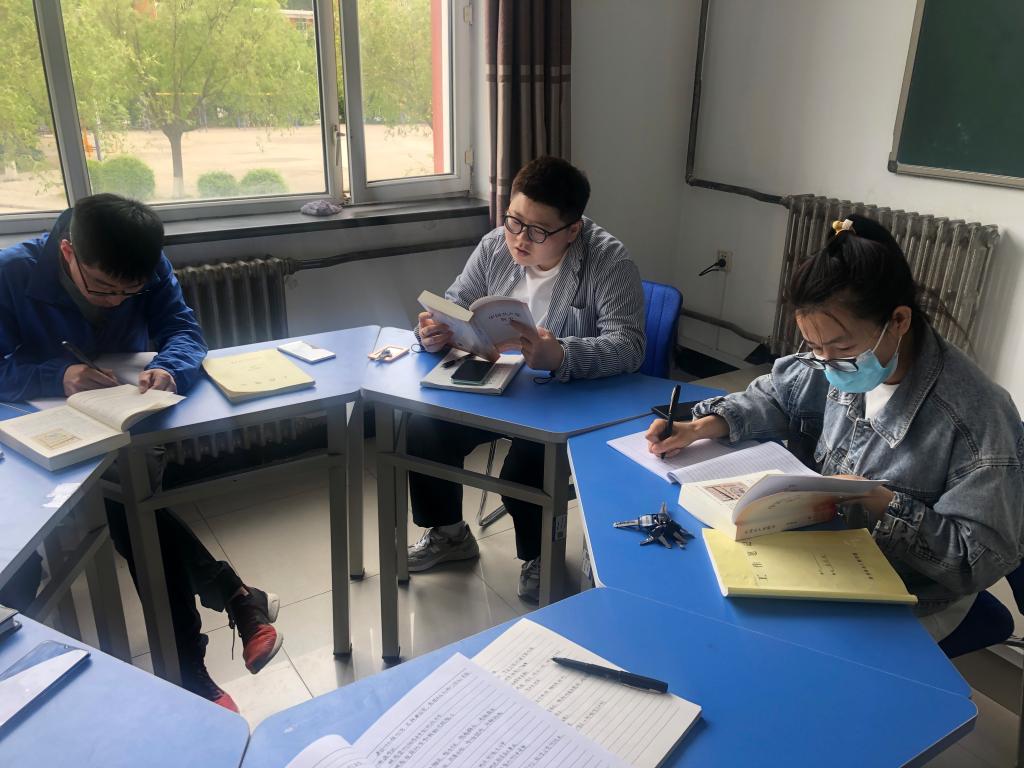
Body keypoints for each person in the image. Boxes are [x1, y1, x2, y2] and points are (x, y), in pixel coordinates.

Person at [646, 214, 1024, 651]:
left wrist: (881, 501)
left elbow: (976, 560)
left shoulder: (975, 417)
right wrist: (703, 425)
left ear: (899, 320)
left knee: (780, 655)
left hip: (912, 595)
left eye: (841, 349)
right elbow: (779, 393)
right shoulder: (835, 356)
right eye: (814, 347)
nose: (826, 363)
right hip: (825, 555)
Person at [0, 193, 282, 711]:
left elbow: (184, 330)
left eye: (128, 292)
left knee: (137, 517)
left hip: (122, 417)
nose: (114, 302)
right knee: (137, 517)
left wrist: (170, 367)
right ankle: (229, 604)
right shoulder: (12, 272)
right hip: (42, 433)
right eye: (102, 288)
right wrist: (57, 375)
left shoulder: (148, 267)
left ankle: (189, 666)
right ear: (67, 252)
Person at [407, 156, 646, 602]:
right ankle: (450, 533)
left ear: (572, 230)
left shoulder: (610, 261)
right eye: (514, 221)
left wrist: (563, 354)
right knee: (423, 428)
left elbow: (629, 347)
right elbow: (456, 302)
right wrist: (436, 331)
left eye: (537, 231)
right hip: (497, 382)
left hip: (562, 396)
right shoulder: (495, 245)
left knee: (526, 470)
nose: (519, 238)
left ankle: (540, 555)